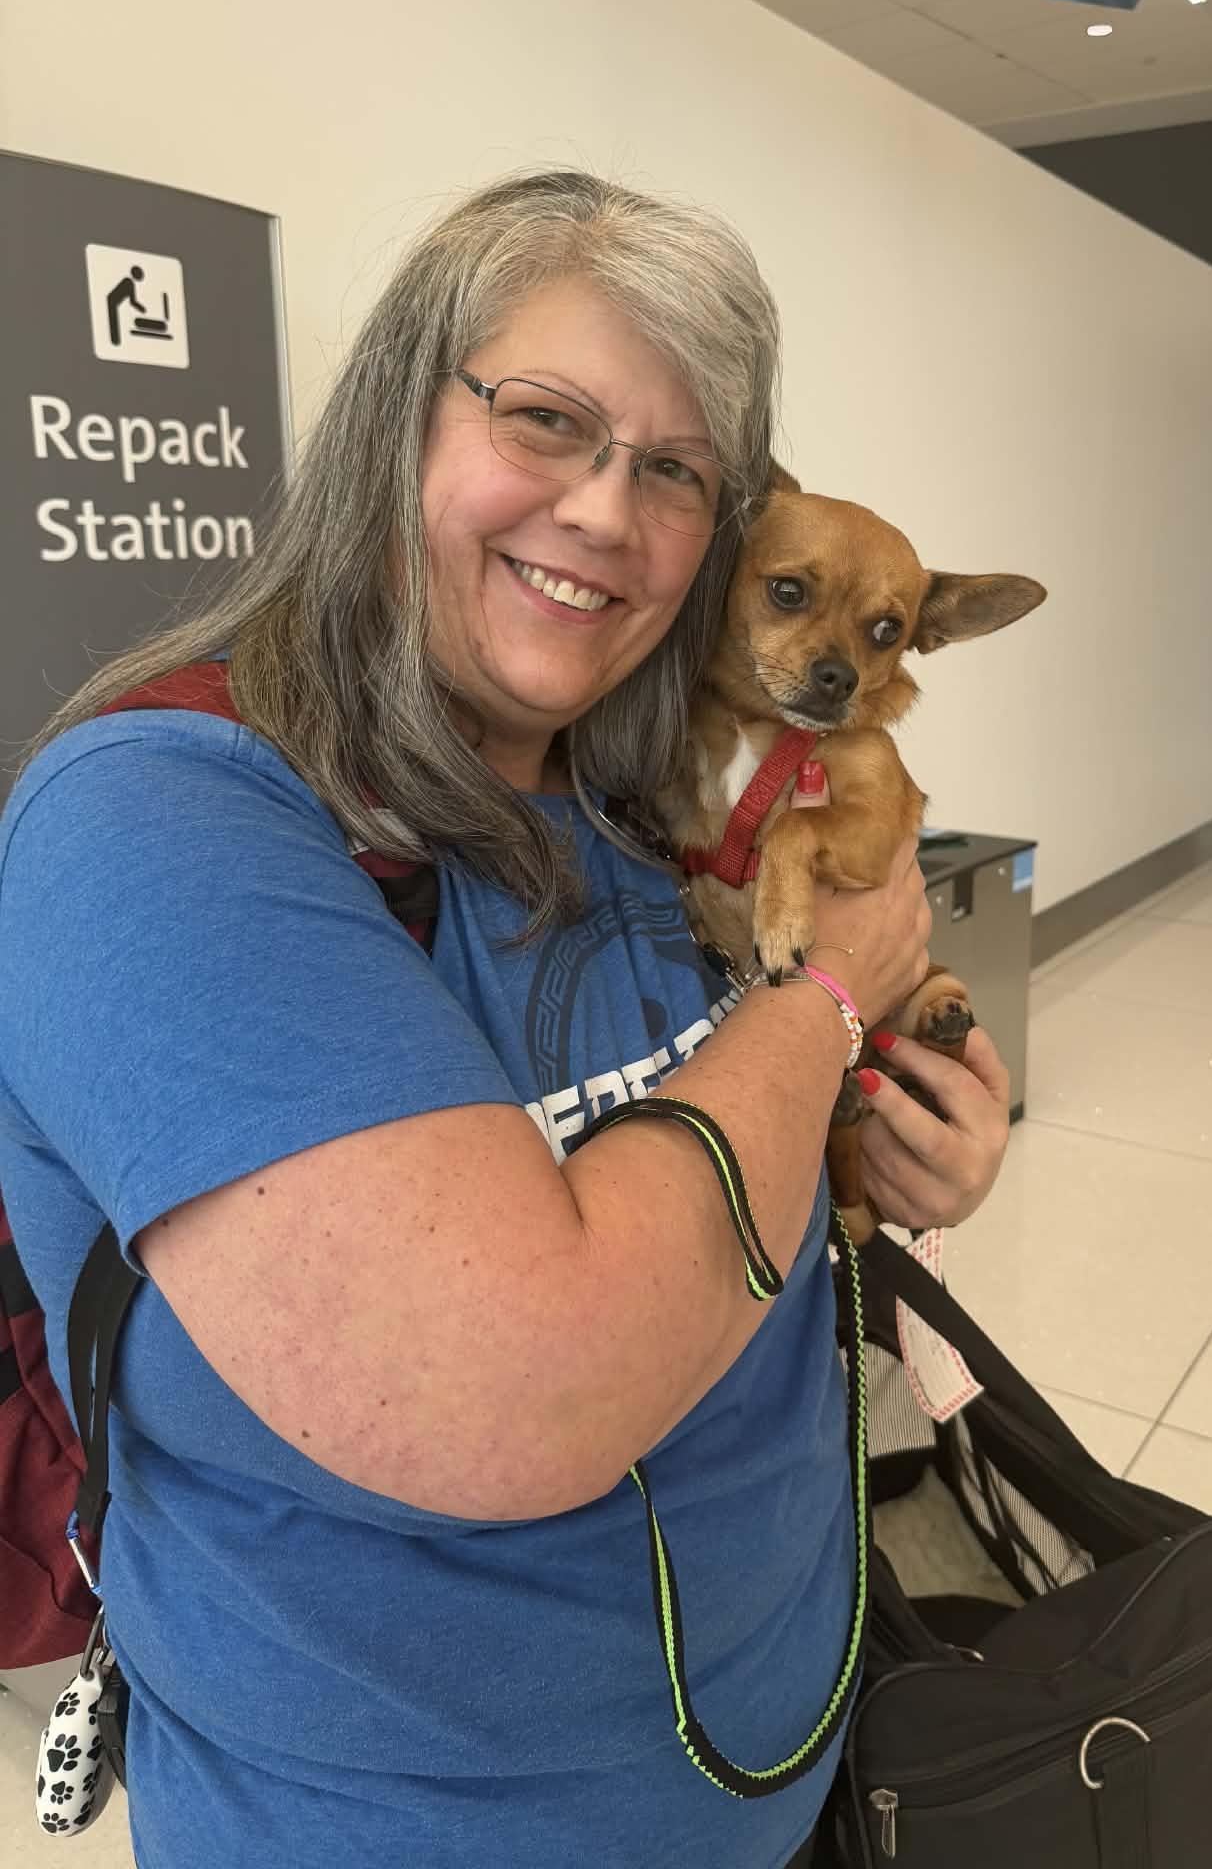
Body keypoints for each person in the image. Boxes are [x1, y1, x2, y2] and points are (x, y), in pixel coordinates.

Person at [0, 170, 1010, 1866]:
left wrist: (901, 1141)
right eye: (546, 420)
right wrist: (834, 993)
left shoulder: (643, 811)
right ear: (399, 418)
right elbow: (515, 1391)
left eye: (677, 470)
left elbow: (732, 1176)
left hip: (801, 1751)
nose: (609, 514)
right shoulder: (161, 821)